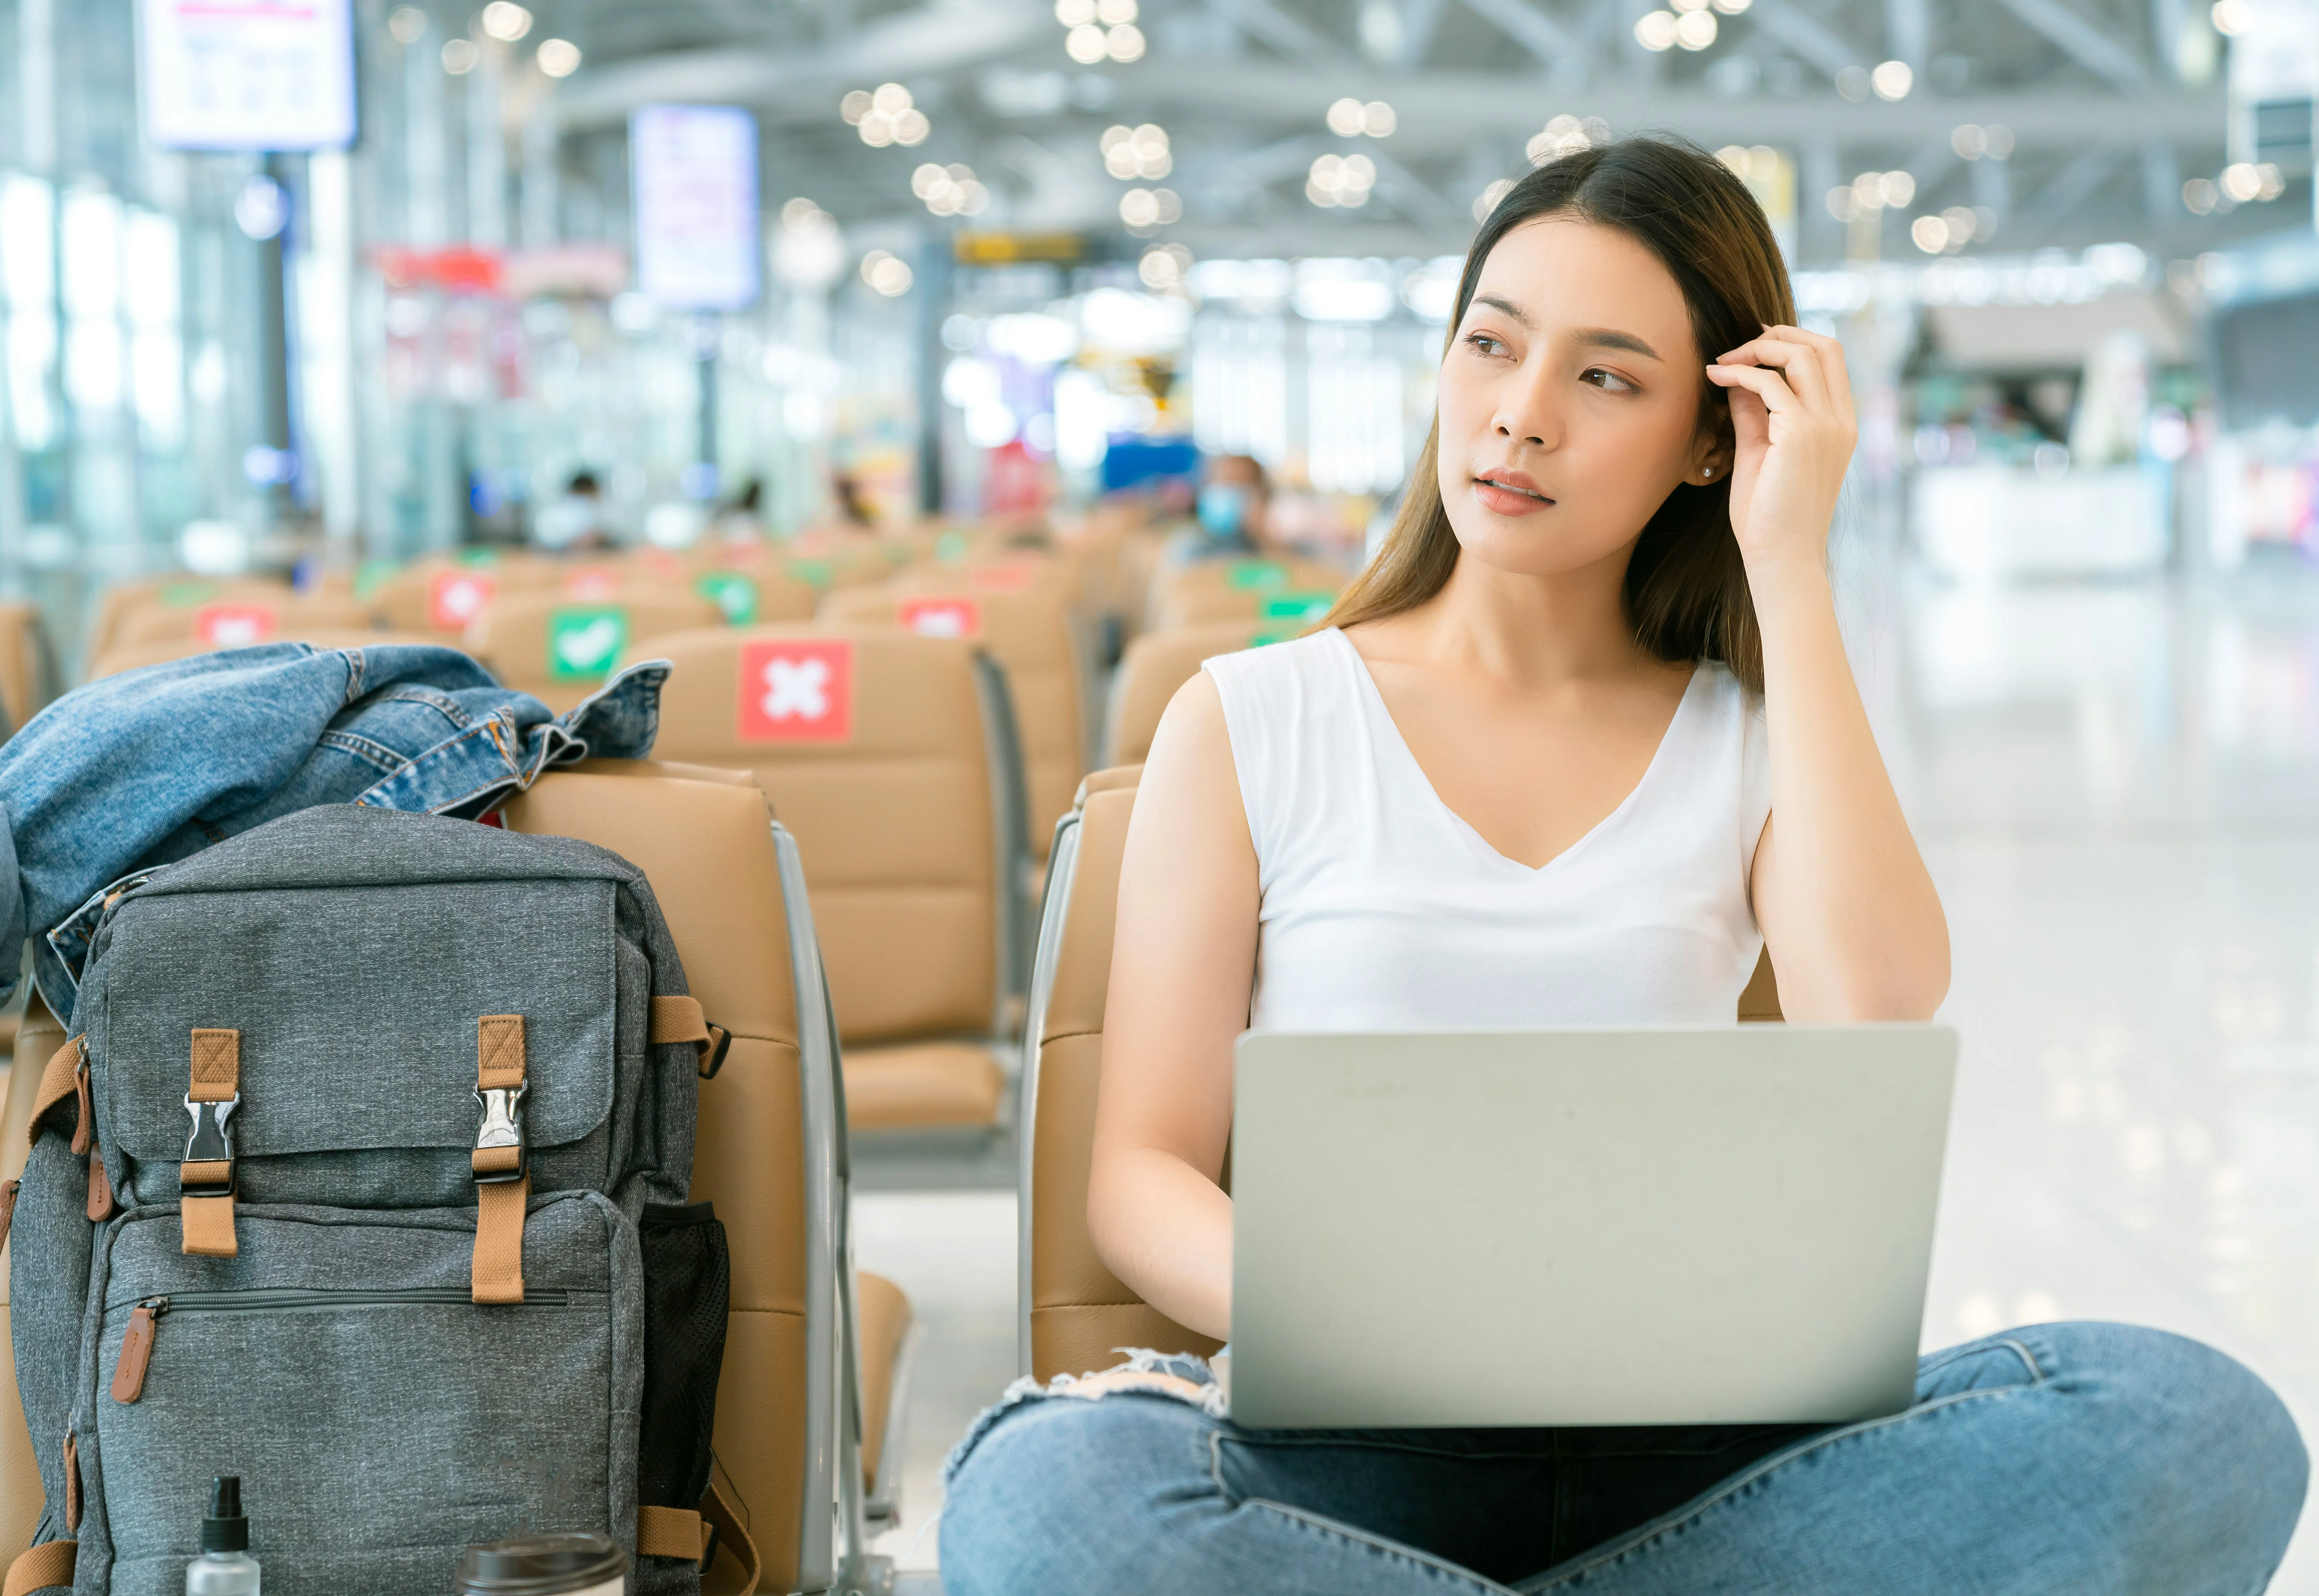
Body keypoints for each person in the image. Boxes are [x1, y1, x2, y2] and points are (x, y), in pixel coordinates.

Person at [939, 136, 2305, 1594]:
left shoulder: (1744, 739)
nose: (1519, 418)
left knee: (2191, 1424)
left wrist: (1789, 567)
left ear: (1709, 438)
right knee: (1042, 1495)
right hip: (1347, 1442)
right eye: (1490, 346)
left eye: (1604, 378)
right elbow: (1140, 1178)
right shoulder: (1252, 720)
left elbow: (1870, 1014)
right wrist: (1373, 1320)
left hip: (1702, 1449)